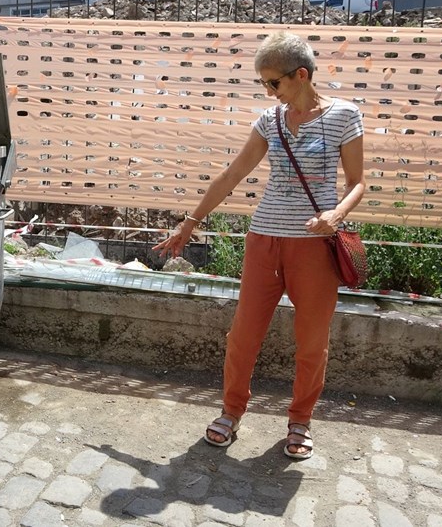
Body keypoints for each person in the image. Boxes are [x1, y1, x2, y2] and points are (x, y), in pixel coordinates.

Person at [153, 32, 366, 459]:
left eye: (274, 83)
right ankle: (231, 412)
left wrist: (336, 215)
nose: (269, 92)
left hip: (314, 247)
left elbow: (358, 182)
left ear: (300, 75)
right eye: (264, 85)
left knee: (311, 341)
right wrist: (191, 223)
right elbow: (232, 175)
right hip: (264, 241)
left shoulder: (344, 116)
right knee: (244, 334)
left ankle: (300, 420)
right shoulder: (271, 121)